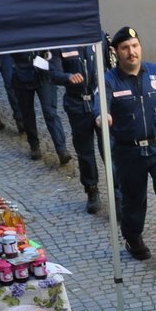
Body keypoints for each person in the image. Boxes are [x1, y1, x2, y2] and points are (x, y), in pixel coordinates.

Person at [98, 27, 156, 267]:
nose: (132, 52)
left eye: (135, 46)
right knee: (133, 200)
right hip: (129, 151)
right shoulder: (109, 80)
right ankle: (132, 237)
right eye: (125, 48)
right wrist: (102, 117)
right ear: (116, 52)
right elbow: (100, 106)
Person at [58, 45, 104, 213]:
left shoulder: (99, 36)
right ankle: (91, 189)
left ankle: (118, 192)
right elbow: (52, 73)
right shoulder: (62, 42)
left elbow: (109, 66)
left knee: (109, 148)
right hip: (76, 103)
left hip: (100, 100)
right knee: (84, 150)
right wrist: (67, 76)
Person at [12, 50, 72, 166]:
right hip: (22, 73)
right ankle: (34, 145)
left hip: (45, 73)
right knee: (27, 113)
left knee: (50, 112)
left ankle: (62, 150)